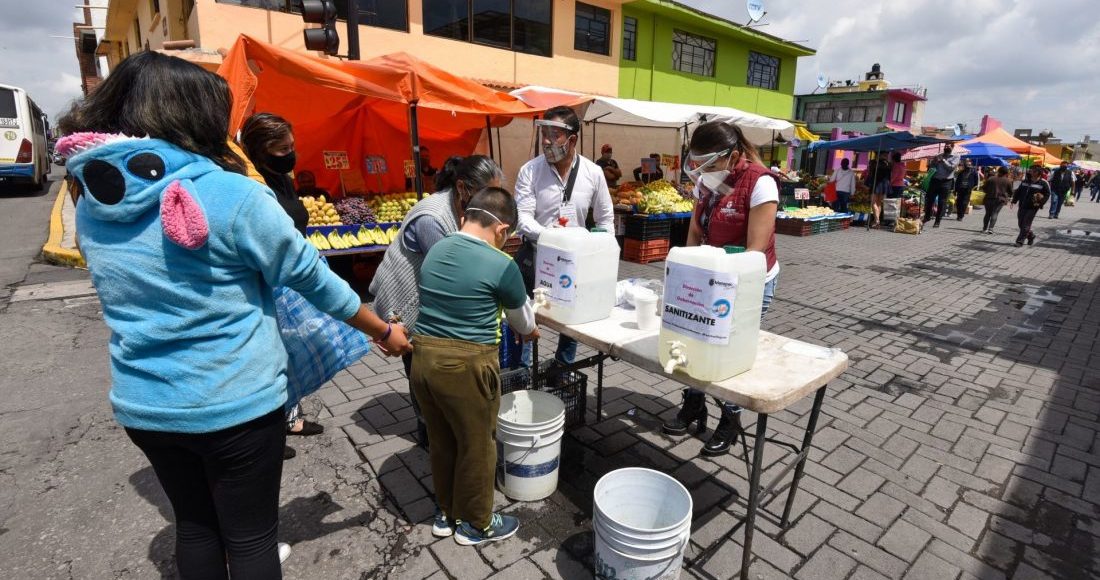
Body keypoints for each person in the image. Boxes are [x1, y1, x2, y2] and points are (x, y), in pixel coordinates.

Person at [56, 51, 411, 579]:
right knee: (250, 541)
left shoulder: (89, 200)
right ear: (195, 118)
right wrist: (384, 331)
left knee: (196, 529)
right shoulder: (231, 193)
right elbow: (314, 280)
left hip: (144, 403)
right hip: (233, 404)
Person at [411, 187, 538, 546]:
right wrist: (529, 330)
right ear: (502, 230)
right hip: (465, 365)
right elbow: (524, 324)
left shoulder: (437, 249)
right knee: (478, 444)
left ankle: (446, 512)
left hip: (423, 361)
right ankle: (477, 525)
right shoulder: (502, 264)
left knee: (442, 439)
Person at [661, 121, 781, 456]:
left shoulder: (760, 183)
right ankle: (694, 403)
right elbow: (695, 234)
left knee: (724, 350)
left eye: (710, 165)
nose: (702, 172)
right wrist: (683, 275)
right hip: (709, 277)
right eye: (697, 164)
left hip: (749, 281)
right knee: (689, 341)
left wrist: (718, 287)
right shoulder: (706, 184)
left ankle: (731, 419)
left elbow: (755, 253)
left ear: (735, 156)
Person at [371, 155, 503, 447]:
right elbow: (452, 272)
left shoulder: (461, 208)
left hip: (427, 297)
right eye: (487, 195)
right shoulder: (431, 218)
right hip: (404, 301)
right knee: (419, 367)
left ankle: (437, 429)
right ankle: (429, 436)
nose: (491, 203)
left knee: (430, 369)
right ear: (462, 188)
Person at [514, 105, 614, 368]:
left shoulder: (593, 173)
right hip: (535, 257)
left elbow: (605, 219)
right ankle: (523, 373)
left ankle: (562, 368)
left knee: (571, 317)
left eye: (554, 135)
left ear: (573, 140)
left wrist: (603, 256)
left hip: (574, 263)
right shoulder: (530, 171)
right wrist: (551, 237)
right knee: (526, 317)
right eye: (544, 133)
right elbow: (522, 218)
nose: (546, 141)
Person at [1011, 165, 1051, 247]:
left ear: (1038, 172)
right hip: (1022, 204)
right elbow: (1018, 191)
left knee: (1026, 224)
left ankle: (1020, 241)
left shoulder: (1043, 182)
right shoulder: (1025, 181)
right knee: (1021, 223)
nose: (1031, 171)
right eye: (1031, 170)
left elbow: (1047, 194)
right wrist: (1014, 201)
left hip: (1033, 207)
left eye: (1033, 170)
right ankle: (1031, 236)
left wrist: (1041, 203)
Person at [924, 144, 958, 227]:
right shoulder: (939, 155)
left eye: (948, 146)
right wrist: (934, 161)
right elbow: (931, 167)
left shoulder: (956, 156)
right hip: (935, 180)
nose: (946, 147)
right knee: (930, 199)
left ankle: (937, 221)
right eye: (945, 146)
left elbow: (951, 168)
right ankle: (927, 216)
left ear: (952, 147)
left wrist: (943, 161)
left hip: (946, 182)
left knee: (941, 202)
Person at [980, 166, 1012, 234]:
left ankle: (984, 228)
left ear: (999, 171)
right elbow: (1010, 192)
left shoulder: (991, 178)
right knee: (995, 213)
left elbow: (984, 188)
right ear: (1006, 173)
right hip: (1000, 200)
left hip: (988, 198)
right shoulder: (1007, 181)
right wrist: (1008, 197)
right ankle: (991, 229)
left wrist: (988, 191)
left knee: (987, 214)